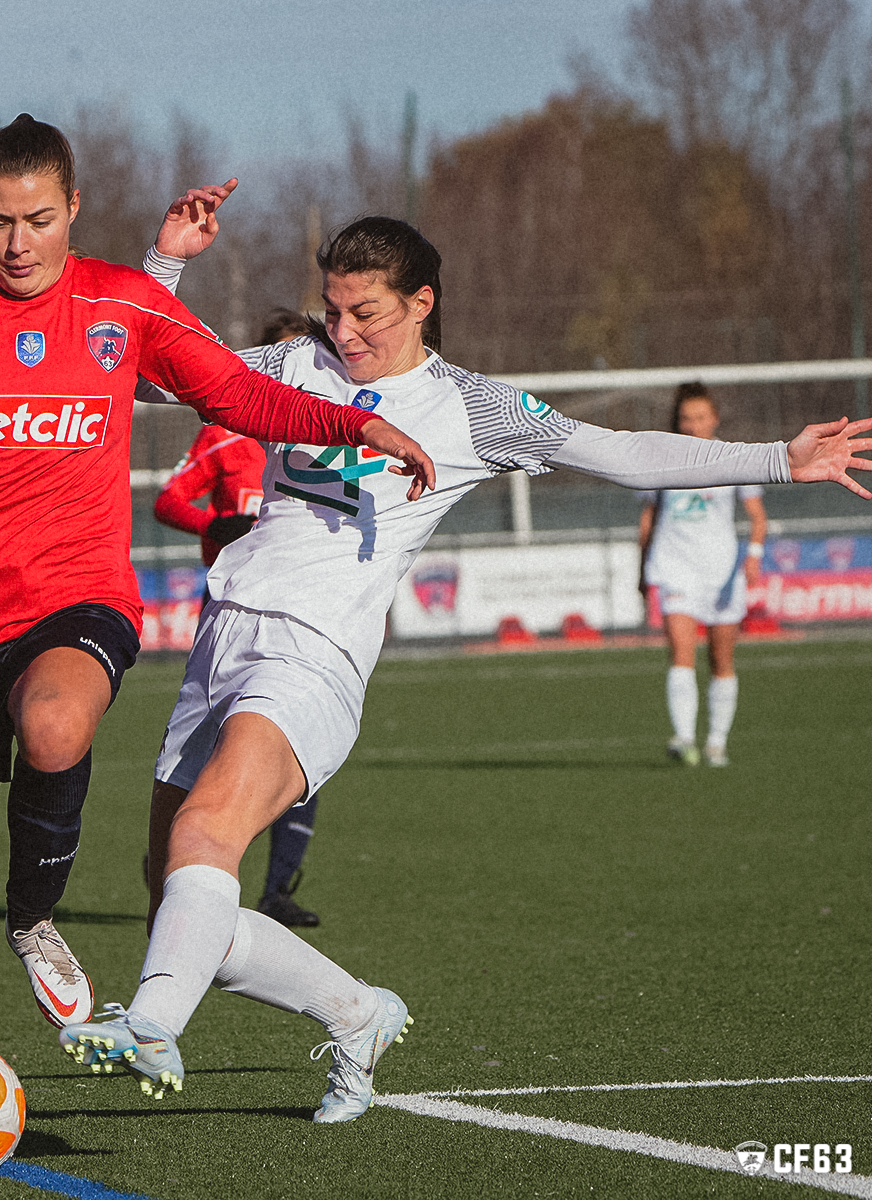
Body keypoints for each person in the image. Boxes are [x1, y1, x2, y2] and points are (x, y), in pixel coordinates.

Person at [59, 207, 871, 1123]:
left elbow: (622, 453)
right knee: (178, 887)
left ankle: (153, 1023)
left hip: (316, 651)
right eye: (333, 311)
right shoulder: (295, 365)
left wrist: (777, 459)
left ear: (421, 303)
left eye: (366, 312)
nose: (345, 332)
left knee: (207, 836)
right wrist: (164, 261)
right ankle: (355, 1013)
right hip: (227, 632)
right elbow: (155, 368)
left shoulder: (471, 408)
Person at [0, 117, 432, 1044]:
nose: (16, 243)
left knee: (58, 723)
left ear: (73, 209)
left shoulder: (125, 305)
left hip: (79, 589)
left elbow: (238, 391)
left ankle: (33, 918)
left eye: (36, 219)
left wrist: (354, 425)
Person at [150, 307, 322, 928]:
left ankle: (276, 890)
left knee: (299, 750)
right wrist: (213, 523)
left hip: (304, 614)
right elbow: (168, 500)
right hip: (230, 613)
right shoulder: (225, 434)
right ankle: (189, 876)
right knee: (211, 751)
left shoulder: (329, 440)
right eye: (287, 359)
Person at [638, 383, 767, 767]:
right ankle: (683, 738)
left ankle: (716, 742)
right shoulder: (662, 461)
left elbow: (757, 517)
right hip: (676, 568)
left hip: (722, 571)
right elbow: (648, 518)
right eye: (685, 418)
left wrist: (754, 556)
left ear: (714, 419)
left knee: (720, 659)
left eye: (700, 417)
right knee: (680, 652)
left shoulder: (734, 459)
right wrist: (642, 569)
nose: (693, 425)